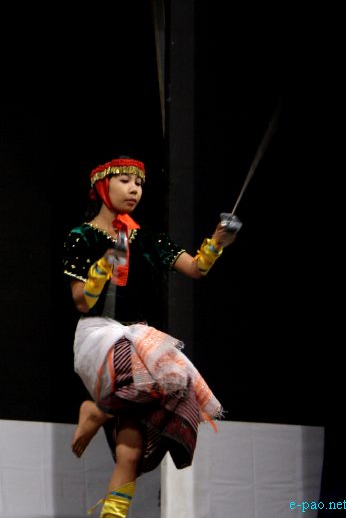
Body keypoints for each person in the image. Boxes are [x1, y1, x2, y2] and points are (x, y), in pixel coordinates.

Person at [62, 157, 235, 517]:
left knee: (130, 451)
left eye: (138, 183)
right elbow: (81, 301)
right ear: (102, 187)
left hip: (137, 336)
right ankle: (98, 410)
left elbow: (195, 268)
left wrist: (217, 243)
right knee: (166, 375)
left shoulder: (147, 237)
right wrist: (103, 266)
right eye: (124, 181)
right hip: (100, 334)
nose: (134, 190)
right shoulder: (82, 237)